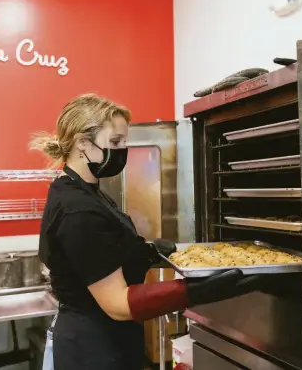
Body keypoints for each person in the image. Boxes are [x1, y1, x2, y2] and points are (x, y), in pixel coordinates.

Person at [30, 93, 265, 370]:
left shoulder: (85, 191)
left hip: (109, 339)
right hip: (93, 349)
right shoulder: (78, 208)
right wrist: (196, 291)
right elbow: (117, 304)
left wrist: (146, 252)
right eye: (116, 142)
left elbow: (103, 252)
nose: (123, 149)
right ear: (83, 142)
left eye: (124, 141)